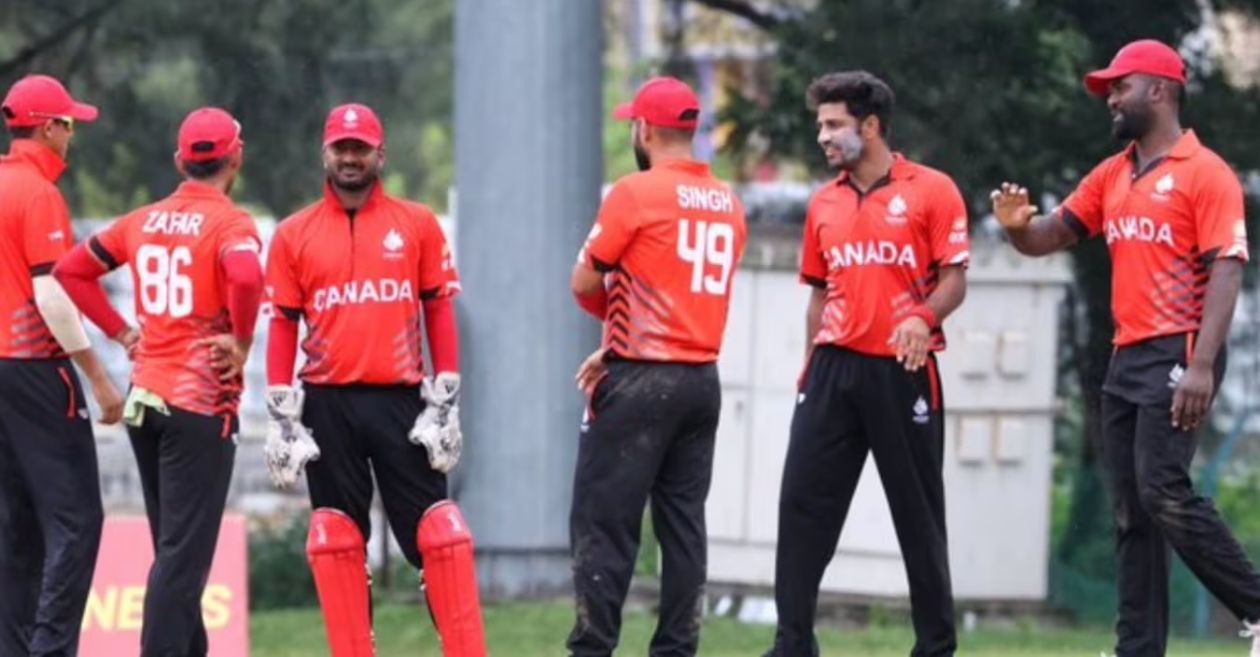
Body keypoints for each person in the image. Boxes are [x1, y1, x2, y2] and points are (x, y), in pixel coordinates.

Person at [990, 39, 1260, 656]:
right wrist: (1015, 230)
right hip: (1127, 353)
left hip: (1180, 350)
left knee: (1162, 488)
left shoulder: (1205, 173)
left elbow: (1228, 267)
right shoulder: (1113, 173)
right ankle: (1137, 648)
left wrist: (1199, 366)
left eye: (1120, 86)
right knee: (1132, 510)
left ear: (1159, 90)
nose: (1110, 98)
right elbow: (1051, 234)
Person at [263, 102, 485, 656]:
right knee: (337, 539)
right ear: (326, 153)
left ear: (380, 153)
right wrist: (280, 409)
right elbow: (283, 322)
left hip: (401, 399)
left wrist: (447, 392)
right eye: (342, 147)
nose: (351, 157)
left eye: (361, 148)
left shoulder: (416, 223)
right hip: (327, 402)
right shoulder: (294, 234)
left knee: (441, 537)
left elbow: (438, 307)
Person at [763, 71, 970, 657]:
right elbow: (819, 293)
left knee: (918, 516)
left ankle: (935, 647)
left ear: (871, 125)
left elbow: (954, 280)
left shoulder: (931, 189)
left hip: (901, 371)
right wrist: (808, 368)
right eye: (820, 125)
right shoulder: (823, 201)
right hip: (831, 373)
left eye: (834, 125)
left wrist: (922, 319)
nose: (823, 136)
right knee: (800, 507)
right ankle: (792, 644)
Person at [54, 106, 263, 657]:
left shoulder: (142, 220)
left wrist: (121, 332)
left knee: (175, 554)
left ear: (179, 161)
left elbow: (72, 270)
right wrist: (241, 342)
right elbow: (245, 274)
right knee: (182, 561)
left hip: (146, 402)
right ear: (235, 157)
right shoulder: (231, 223)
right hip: (199, 408)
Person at [567, 76, 748, 657]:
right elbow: (682, 291)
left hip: (641, 380)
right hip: (701, 381)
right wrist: (619, 337)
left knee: (604, 522)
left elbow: (585, 282)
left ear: (644, 129)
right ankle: (676, 649)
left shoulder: (635, 193)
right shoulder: (729, 203)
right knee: (683, 527)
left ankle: (592, 649)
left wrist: (620, 339)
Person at [0, 72, 123, 657]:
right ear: (48, 128)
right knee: (77, 519)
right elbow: (51, 295)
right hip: (33, 368)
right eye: (69, 124)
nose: (72, 135)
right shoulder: (38, 193)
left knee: (15, 522)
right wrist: (99, 380)